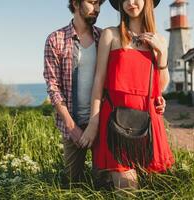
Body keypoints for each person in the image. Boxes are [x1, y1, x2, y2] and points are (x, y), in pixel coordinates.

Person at [79, 0, 175, 189]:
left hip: (147, 121)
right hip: (116, 119)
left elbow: (160, 87)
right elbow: (99, 81)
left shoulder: (159, 40)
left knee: (151, 188)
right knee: (128, 189)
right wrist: (94, 121)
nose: (131, 2)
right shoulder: (111, 34)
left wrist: (162, 54)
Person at [43, 0, 106, 182]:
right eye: (92, 2)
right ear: (76, 3)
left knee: (103, 182)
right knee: (73, 183)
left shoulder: (103, 38)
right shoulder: (56, 39)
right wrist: (72, 128)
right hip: (72, 126)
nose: (97, 9)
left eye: (99, 4)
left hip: (101, 124)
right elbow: (53, 87)